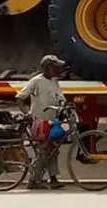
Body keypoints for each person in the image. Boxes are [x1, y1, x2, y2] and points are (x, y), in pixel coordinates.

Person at [16, 54, 67, 190]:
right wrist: (26, 113)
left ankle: (53, 178)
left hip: (52, 121)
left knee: (53, 150)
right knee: (43, 151)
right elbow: (20, 98)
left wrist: (63, 103)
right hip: (40, 122)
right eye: (54, 68)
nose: (57, 71)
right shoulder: (36, 81)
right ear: (47, 68)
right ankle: (33, 180)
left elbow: (60, 95)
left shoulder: (54, 80)